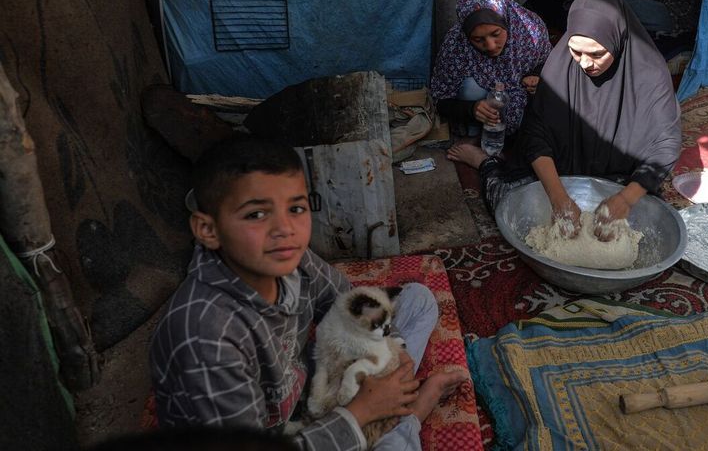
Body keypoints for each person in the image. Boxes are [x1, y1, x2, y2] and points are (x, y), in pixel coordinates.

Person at [149, 135, 468, 450]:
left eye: (296, 208)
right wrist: (362, 412)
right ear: (209, 229)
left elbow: (346, 301)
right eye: (257, 214)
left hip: (301, 389)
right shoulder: (205, 338)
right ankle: (411, 416)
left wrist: (394, 353)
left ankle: (391, 405)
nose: (285, 229)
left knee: (418, 301)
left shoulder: (288, 257)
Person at [448, 0, 681, 239]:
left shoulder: (650, 72)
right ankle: (485, 162)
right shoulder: (562, 64)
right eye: (576, 51)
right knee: (507, 201)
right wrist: (558, 197)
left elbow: (665, 144)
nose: (584, 64)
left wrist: (625, 200)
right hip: (561, 169)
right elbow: (536, 132)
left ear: (618, 36)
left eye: (597, 54)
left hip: (620, 176)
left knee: (648, 224)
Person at [431, 0, 552, 140]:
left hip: (524, 103)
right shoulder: (456, 45)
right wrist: (471, 109)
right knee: (471, 89)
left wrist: (537, 76)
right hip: (481, 117)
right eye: (477, 39)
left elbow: (548, 61)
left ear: (506, 20)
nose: (490, 46)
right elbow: (440, 99)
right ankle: (473, 138)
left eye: (496, 34)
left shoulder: (530, 29)